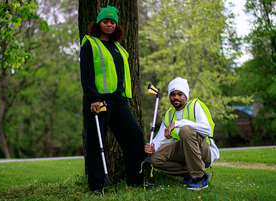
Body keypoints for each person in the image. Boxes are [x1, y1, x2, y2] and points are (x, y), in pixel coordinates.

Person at [80, 5, 153, 195]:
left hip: (119, 100)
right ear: (99, 23)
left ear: (117, 26)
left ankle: (136, 180)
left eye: (113, 22)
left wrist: (124, 96)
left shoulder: (118, 47)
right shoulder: (90, 43)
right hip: (98, 100)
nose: (109, 25)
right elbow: (86, 73)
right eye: (105, 21)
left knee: (135, 136)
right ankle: (97, 184)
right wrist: (93, 98)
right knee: (96, 142)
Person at [145, 77, 220, 190]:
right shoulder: (169, 114)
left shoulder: (195, 106)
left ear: (186, 96)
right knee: (155, 158)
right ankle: (189, 173)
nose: (176, 97)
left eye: (180, 94)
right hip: (186, 152)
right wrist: (151, 147)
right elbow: (159, 140)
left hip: (205, 152)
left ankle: (200, 177)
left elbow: (207, 130)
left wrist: (177, 123)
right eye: (173, 94)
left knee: (185, 130)